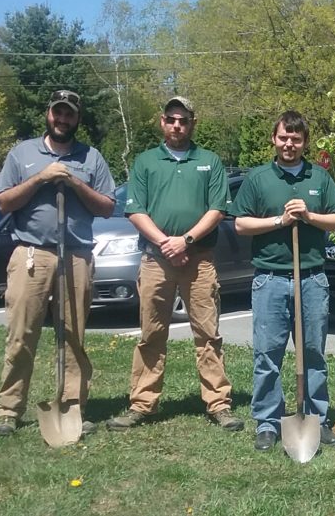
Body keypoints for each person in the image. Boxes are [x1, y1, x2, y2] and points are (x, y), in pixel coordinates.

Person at [106, 96, 242, 432]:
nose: (177, 125)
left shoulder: (209, 162)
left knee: (208, 334)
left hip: (200, 261)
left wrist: (186, 241)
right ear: (162, 122)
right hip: (155, 261)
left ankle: (219, 404)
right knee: (151, 334)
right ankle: (142, 404)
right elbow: (136, 210)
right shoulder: (145, 162)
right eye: (171, 119)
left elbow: (217, 210)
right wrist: (166, 243)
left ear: (193, 123)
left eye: (183, 120)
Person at [0, 89, 116, 436]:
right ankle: (9, 410)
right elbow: (3, 202)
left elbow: (106, 207)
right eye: (57, 113)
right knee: (21, 334)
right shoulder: (23, 154)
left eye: (70, 114)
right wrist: (41, 178)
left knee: (73, 335)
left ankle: (72, 407)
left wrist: (73, 182)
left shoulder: (91, 158)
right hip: (32, 254)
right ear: (48, 114)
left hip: (76, 255)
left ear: (77, 118)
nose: (63, 119)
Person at [232, 110, 335, 452]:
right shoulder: (258, 178)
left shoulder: (320, 178)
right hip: (270, 279)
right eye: (283, 137)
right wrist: (281, 220)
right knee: (268, 354)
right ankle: (268, 423)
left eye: (296, 139)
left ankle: (317, 418)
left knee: (313, 352)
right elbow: (240, 224)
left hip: (311, 279)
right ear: (274, 139)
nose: (289, 144)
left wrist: (308, 216)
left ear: (304, 142)